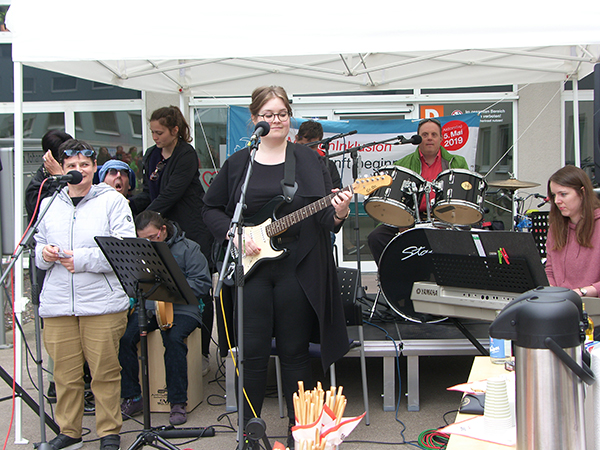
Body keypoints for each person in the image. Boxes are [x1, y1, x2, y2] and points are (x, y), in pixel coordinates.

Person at [202, 85, 351, 447]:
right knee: (251, 355)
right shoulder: (239, 164)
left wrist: (341, 212)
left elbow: (326, 217)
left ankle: (299, 435)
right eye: (268, 115)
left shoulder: (311, 161)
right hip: (251, 271)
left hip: (296, 270)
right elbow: (210, 209)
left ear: (289, 116)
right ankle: (251, 436)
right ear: (255, 120)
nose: (276, 121)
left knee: (295, 355)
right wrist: (234, 236)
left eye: (282, 114)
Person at [34, 139, 135, 450]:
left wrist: (81, 259)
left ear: (95, 168)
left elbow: (124, 250)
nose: (78, 171)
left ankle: (108, 433)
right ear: (62, 171)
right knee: (64, 375)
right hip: (58, 304)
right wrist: (45, 254)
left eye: (84, 165)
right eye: (71, 166)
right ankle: (70, 432)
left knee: (104, 373)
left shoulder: (113, 202)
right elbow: (35, 247)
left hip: (102, 304)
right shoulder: (50, 203)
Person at [128, 105, 215, 374]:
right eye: (152, 132)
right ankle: (167, 344)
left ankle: (200, 352)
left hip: (190, 226)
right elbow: (148, 192)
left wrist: (143, 219)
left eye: (159, 132)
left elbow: (170, 195)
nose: (155, 137)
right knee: (163, 283)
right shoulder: (152, 155)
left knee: (198, 290)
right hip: (159, 225)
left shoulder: (186, 154)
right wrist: (124, 205)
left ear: (175, 130)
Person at [119, 210, 211, 425]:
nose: (149, 242)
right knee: (124, 338)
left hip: (183, 309)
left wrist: (172, 288)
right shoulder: (139, 250)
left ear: (163, 229)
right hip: (150, 307)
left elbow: (202, 283)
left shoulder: (189, 248)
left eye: (153, 237)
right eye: (144, 239)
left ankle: (178, 402)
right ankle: (133, 396)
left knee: (173, 338)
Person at [367, 118, 469, 265]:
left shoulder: (458, 162)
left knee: (468, 236)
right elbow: (396, 198)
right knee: (376, 237)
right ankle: (395, 279)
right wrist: (402, 221)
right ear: (418, 138)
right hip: (411, 218)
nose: (429, 138)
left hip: (446, 218)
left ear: (441, 138)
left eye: (434, 135)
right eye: (425, 134)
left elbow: (463, 196)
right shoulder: (403, 164)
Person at [545, 165, 600, 298]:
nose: (557, 201)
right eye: (554, 195)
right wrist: (550, 291)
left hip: (592, 306)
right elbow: (550, 269)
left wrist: (582, 292)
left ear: (582, 192)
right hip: (560, 305)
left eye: (563, 194)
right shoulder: (555, 228)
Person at [295, 120, 341, 188]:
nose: (307, 150)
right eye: (303, 145)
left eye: (312, 147)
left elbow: (337, 189)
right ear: (296, 139)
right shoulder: (285, 160)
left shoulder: (328, 165)